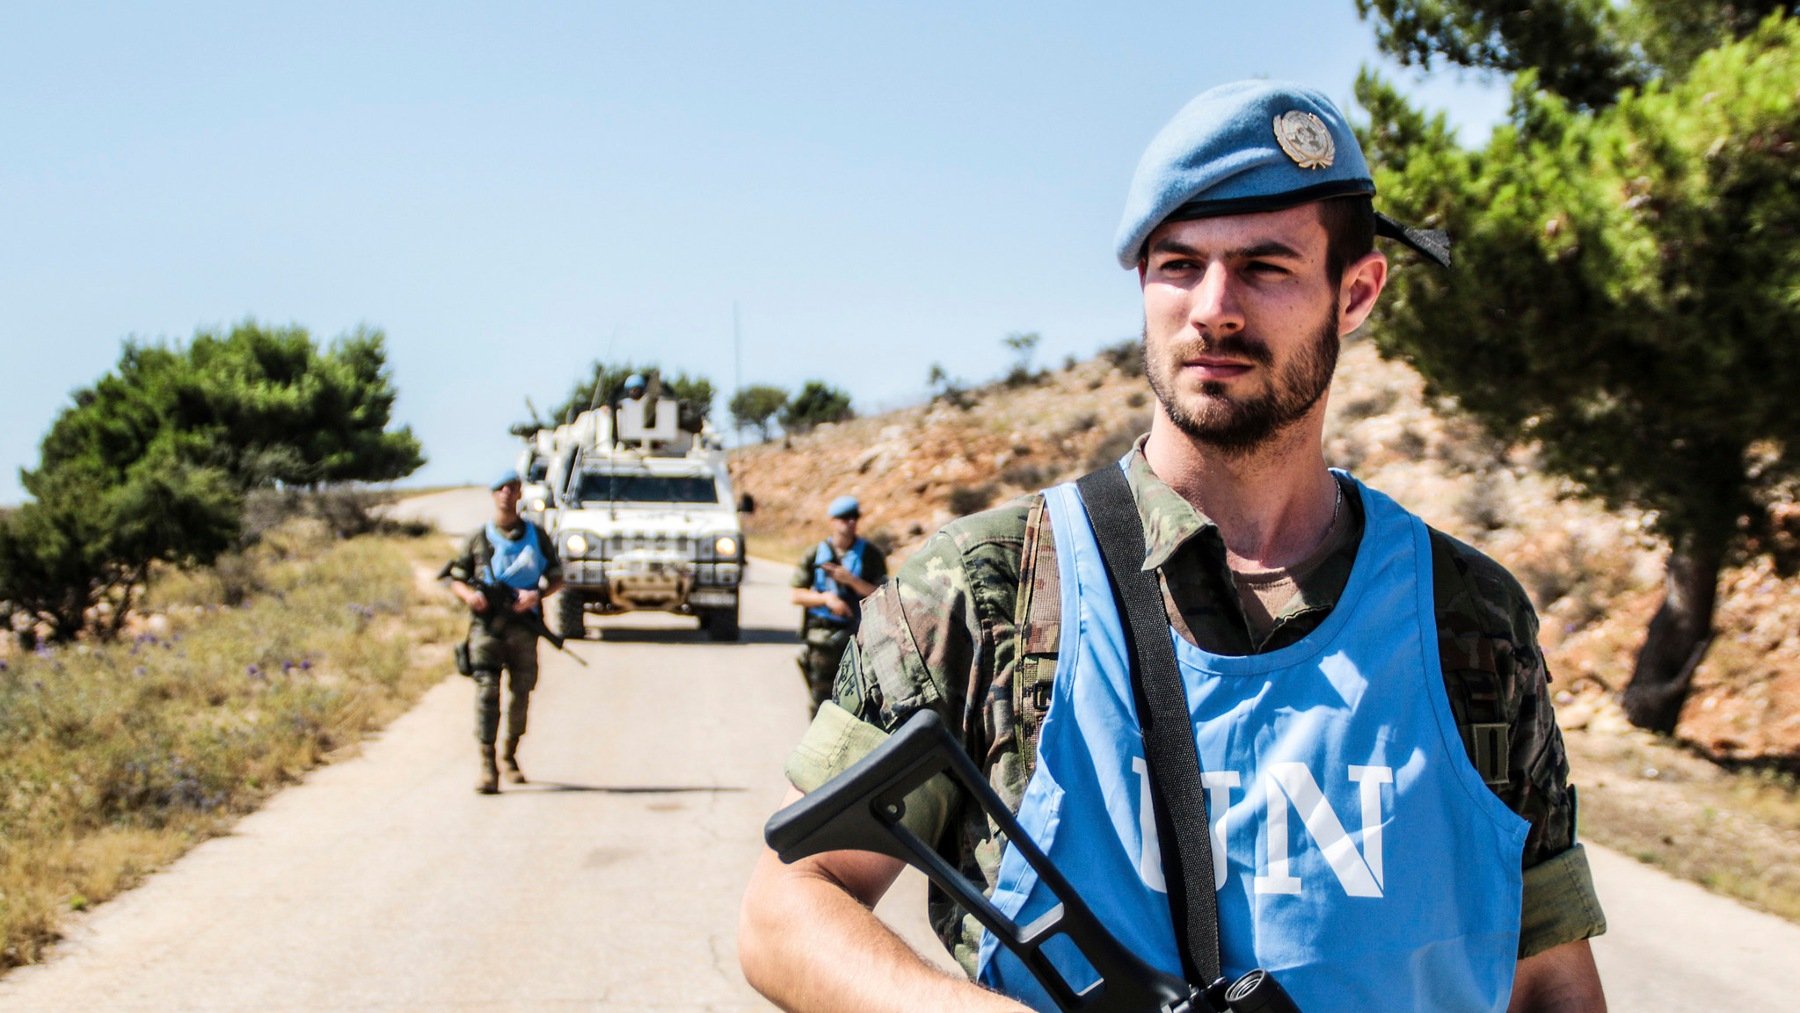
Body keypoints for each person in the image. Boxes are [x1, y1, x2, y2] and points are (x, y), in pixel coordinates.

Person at [741, 80, 1607, 1011]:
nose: (1213, 308)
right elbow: (788, 904)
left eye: (1266, 267)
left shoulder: (1466, 613)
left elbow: (1549, 974)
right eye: (1179, 264)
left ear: (1355, 293)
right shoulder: (987, 590)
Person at [444, 469, 565, 795]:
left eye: (512, 488)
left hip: (523, 628)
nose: (506, 494)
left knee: (521, 694)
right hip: (486, 629)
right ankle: (487, 765)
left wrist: (535, 596)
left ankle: (509, 754)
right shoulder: (477, 539)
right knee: (486, 694)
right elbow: (455, 578)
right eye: (501, 489)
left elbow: (557, 576)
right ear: (493, 494)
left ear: (520, 493)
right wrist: (472, 596)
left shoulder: (536, 536)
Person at [789, 495, 888, 717]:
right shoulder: (815, 554)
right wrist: (826, 599)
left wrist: (851, 581)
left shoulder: (870, 555)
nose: (850, 522)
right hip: (822, 638)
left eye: (854, 517)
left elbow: (882, 595)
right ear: (832, 521)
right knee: (821, 700)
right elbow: (796, 594)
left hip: (858, 638)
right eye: (844, 518)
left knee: (859, 701)